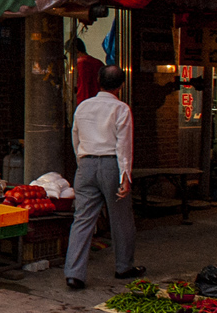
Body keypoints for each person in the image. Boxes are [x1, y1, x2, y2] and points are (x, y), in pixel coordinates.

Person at [64, 65, 144, 290]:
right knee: (121, 219)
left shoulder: (83, 107)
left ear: (98, 80)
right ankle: (123, 266)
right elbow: (123, 145)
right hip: (112, 165)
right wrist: (125, 176)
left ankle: (74, 274)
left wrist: (83, 163)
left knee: (82, 219)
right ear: (121, 85)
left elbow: (75, 137)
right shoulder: (121, 109)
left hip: (86, 163)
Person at [74, 38, 104, 105]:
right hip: (99, 101)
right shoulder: (98, 63)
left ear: (77, 51)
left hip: (83, 102)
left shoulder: (80, 64)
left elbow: (82, 88)